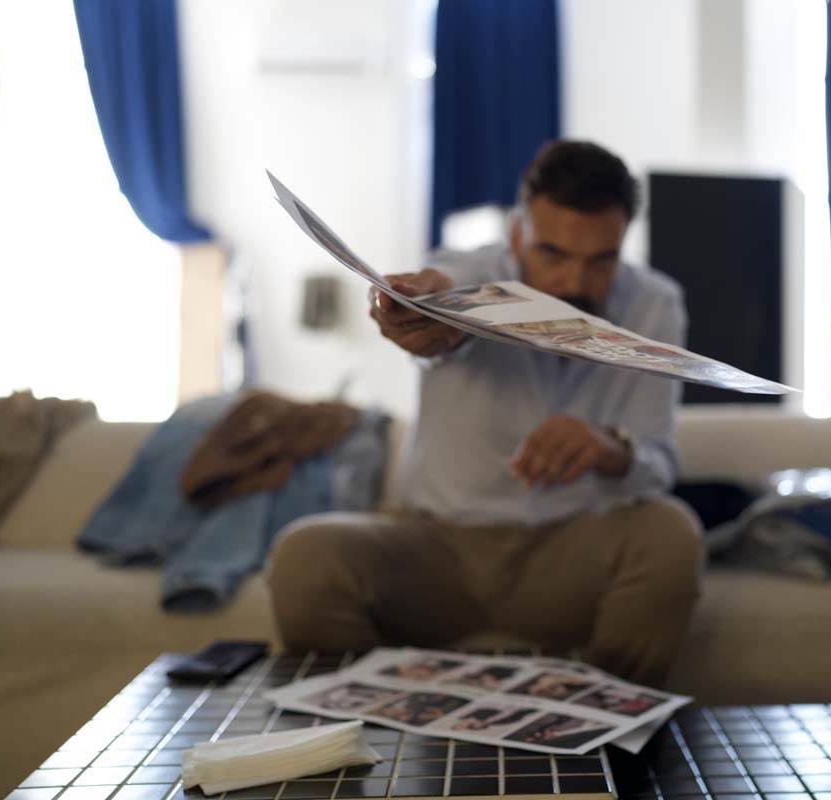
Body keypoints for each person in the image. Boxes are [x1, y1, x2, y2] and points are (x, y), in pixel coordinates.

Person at [267, 140, 703, 687]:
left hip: (570, 552)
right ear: (517, 232)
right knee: (306, 557)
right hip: (436, 553)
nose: (574, 283)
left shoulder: (656, 303)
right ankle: (368, 732)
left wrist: (609, 447)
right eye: (553, 254)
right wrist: (429, 320)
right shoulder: (464, 273)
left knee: (670, 534)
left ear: (623, 241)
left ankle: (605, 736)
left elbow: (659, 460)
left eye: (601, 261)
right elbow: (441, 294)